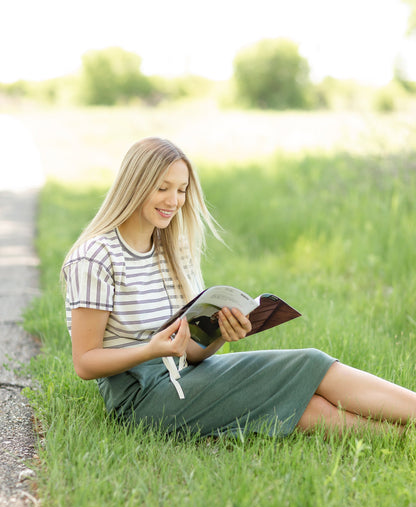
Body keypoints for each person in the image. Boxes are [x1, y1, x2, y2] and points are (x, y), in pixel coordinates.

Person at [62, 137, 416, 438]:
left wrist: (218, 335)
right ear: (134, 185)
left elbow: (193, 352)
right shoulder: (95, 257)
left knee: (302, 407)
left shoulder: (175, 250)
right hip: (142, 398)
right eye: (162, 188)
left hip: (185, 374)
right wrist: (151, 351)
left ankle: (404, 437)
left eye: (182, 190)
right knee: (308, 362)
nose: (174, 201)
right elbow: (85, 362)